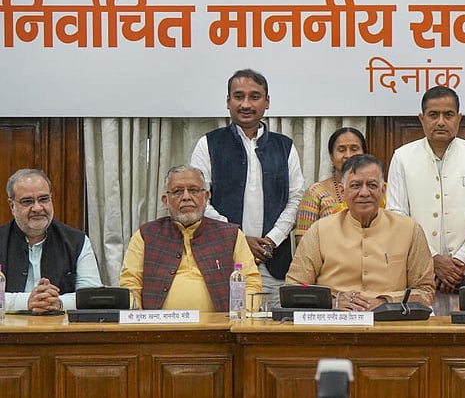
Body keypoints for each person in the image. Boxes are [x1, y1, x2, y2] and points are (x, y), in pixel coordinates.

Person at [190, 68, 304, 304]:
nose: (246, 104)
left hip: (274, 262)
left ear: (267, 102)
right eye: (238, 96)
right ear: (228, 101)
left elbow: (296, 199)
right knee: (226, 330)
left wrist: (271, 241)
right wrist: (239, 239)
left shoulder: (285, 147)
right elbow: (199, 200)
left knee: (274, 333)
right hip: (224, 262)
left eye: (254, 96)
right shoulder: (208, 144)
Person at [387, 85, 465, 315]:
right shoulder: (403, 157)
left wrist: (458, 262)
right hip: (420, 273)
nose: (441, 122)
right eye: (433, 115)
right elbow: (397, 215)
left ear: (459, 118)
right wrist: (433, 260)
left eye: (448, 115)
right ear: (421, 118)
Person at [287, 154, 434, 310]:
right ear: (343, 192)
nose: (364, 193)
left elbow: (425, 291)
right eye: (356, 185)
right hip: (334, 325)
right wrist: (333, 302)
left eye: (372, 185)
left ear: (383, 189)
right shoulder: (319, 231)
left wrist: (385, 302)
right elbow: (294, 288)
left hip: (390, 325)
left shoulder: (409, 230)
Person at [119, 165, 261, 310]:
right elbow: (130, 284)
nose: (186, 197)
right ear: (165, 200)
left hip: (220, 329)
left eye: (193, 190)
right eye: (177, 191)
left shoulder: (231, 235)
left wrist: (241, 320)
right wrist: (136, 322)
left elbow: (250, 283)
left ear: (206, 197)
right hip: (157, 330)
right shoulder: (145, 235)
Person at [0, 169, 102, 313]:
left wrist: (58, 302)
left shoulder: (77, 242)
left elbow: (92, 296)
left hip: (62, 332)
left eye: (43, 199)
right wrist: (27, 301)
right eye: (27, 201)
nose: (37, 208)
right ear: (12, 206)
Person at [295, 127, 370, 245]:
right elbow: (303, 242)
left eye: (354, 149)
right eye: (341, 150)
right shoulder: (315, 192)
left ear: (364, 154)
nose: (348, 155)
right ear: (331, 156)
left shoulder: (377, 191)